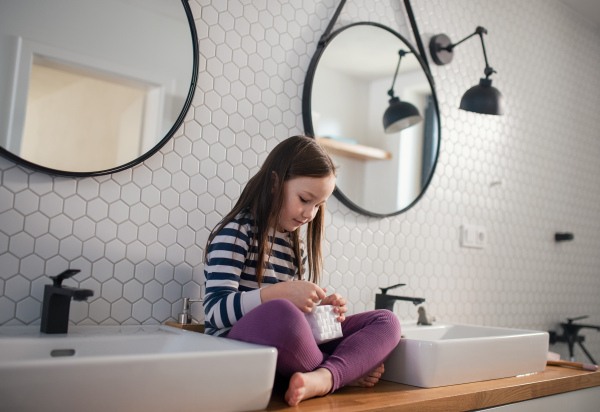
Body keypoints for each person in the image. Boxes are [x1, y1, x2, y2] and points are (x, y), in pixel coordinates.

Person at [203, 135, 401, 406]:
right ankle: (340, 374)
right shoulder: (236, 233)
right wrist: (278, 295)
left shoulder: (297, 249)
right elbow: (214, 312)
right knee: (280, 312)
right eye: (305, 199)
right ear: (275, 182)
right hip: (235, 350)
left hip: (286, 348)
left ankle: (324, 377)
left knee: (387, 321)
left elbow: (298, 327)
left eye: (318, 205)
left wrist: (320, 311)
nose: (310, 214)